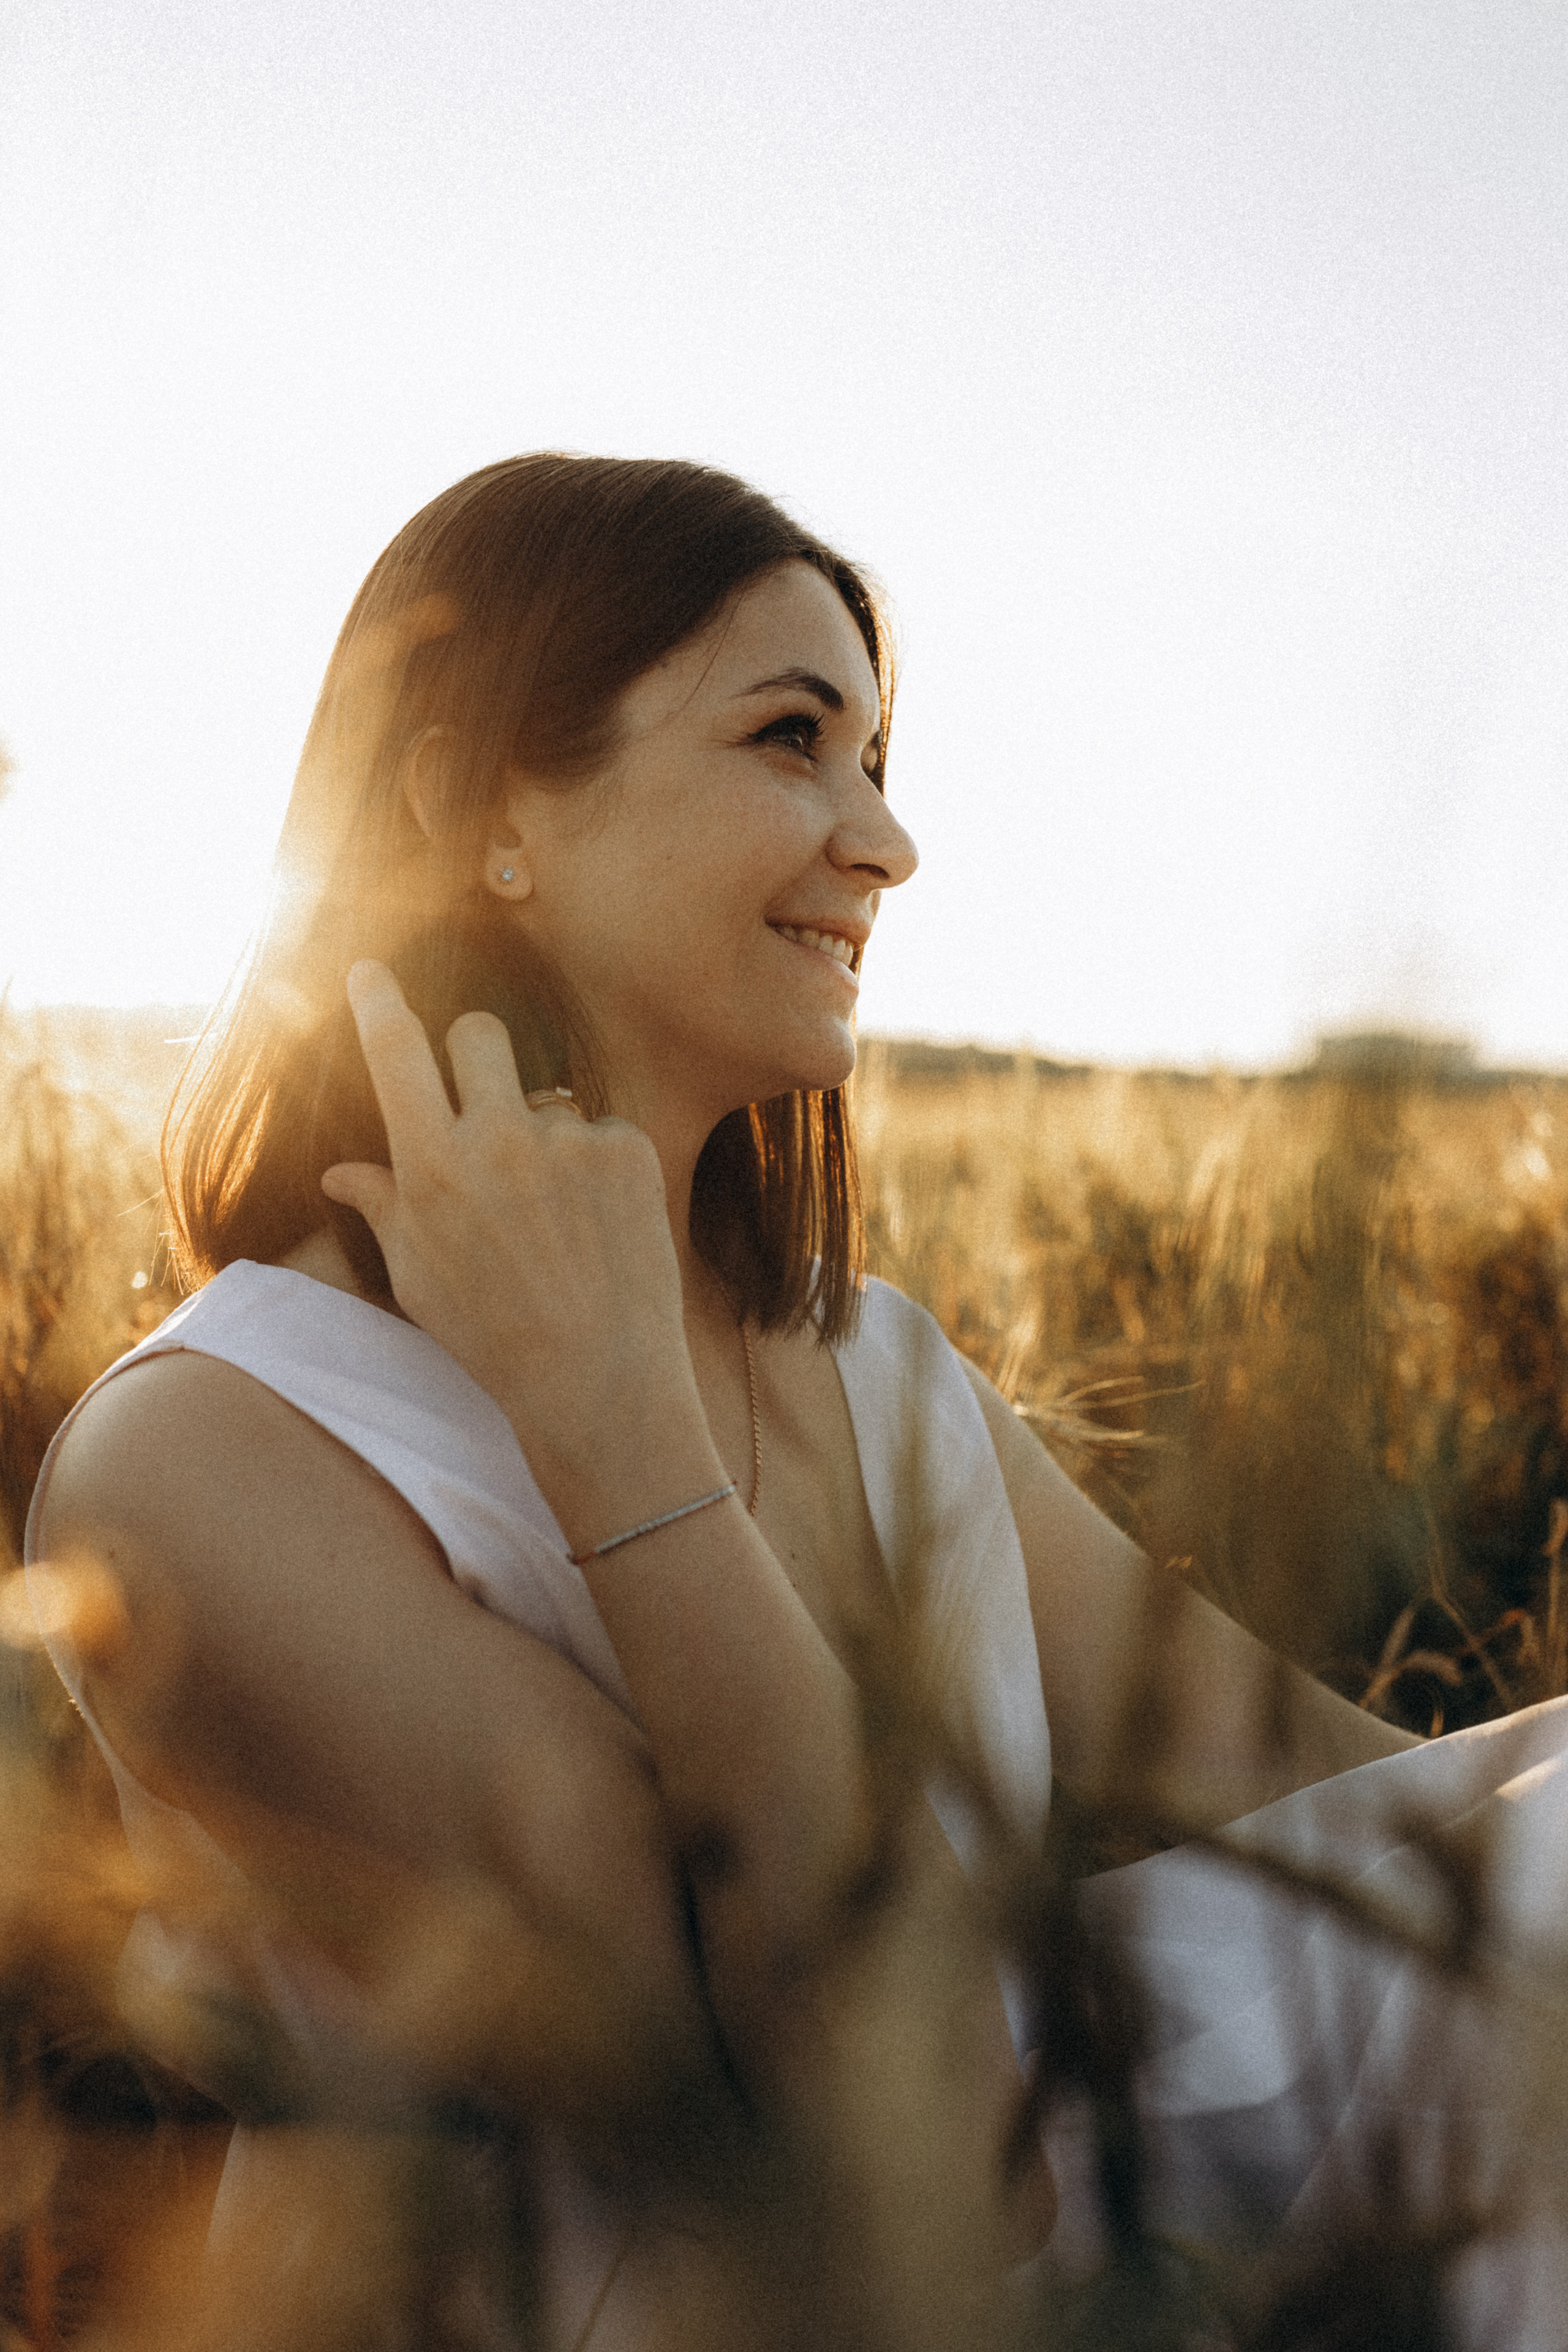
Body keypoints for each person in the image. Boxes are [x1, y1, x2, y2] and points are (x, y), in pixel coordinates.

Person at [25, 456, 1568, 2348]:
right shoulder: (201, 1461)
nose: (887, 844)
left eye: (880, 763)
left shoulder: (888, 1376)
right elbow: (867, 2138)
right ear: (471, 806)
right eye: (792, 741)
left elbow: (1359, 1808)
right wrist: (618, 1445)